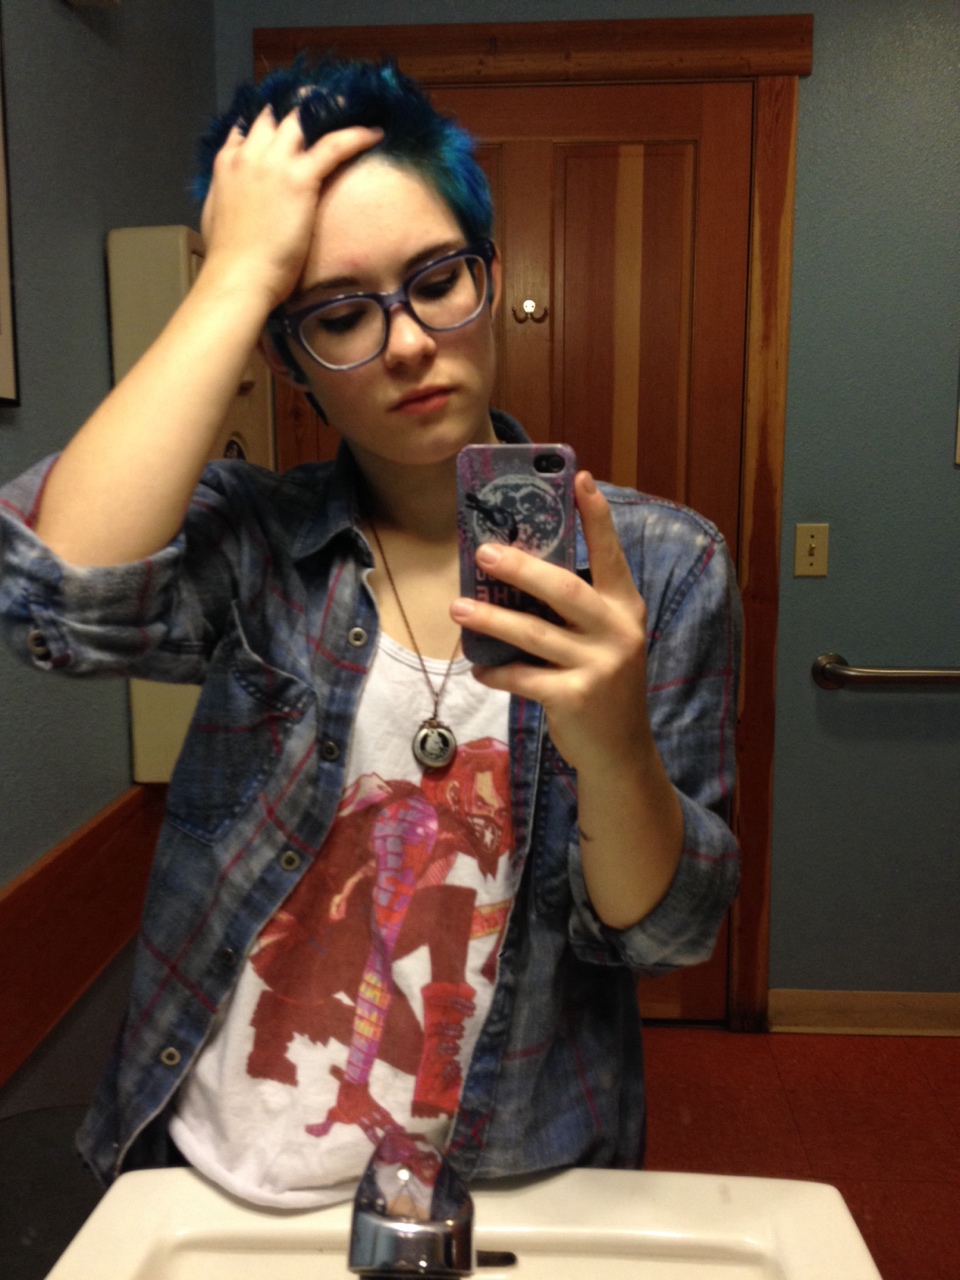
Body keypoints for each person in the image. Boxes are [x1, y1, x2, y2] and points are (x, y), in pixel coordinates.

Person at [0, 58, 741, 1208]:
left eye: (437, 281)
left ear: (490, 276)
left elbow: (665, 938)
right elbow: (56, 603)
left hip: (509, 1183)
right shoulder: (254, 541)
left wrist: (614, 745)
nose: (404, 344)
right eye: (339, 314)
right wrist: (236, 276)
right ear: (287, 357)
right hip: (219, 1171)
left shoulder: (659, 568)